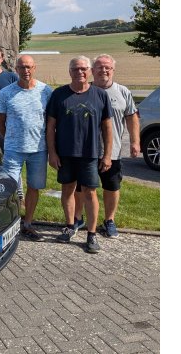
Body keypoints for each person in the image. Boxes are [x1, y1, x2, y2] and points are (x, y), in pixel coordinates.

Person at [46, 56, 113, 254]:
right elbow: (50, 127)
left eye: (84, 69)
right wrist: (52, 153)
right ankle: (70, 226)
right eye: (75, 69)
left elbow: (107, 128)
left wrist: (107, 155)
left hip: (89, 154)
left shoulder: (100, 95)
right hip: (65, 154)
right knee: (67, 190)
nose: (80, 72)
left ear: (90, 71)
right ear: (70, 72)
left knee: (90, 192)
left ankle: (91, 234)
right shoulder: (59, 94)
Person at [71, 54, 141, 238]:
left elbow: (132, 117)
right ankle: (78, 217)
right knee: (81, 187)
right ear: (92, 70)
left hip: (113, 151)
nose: (103, 70)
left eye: (107, 67)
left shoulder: (123, 92)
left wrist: (135, 142)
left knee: (111, 187)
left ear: (113, 70)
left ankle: (109, 220)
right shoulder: (84, 90)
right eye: (99, 67)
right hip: (86, 151)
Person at [0, 55, 53, 241]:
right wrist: (11, 138)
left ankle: (27, 223)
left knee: (34, 187)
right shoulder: (6, 93)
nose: (25, 71)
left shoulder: (46, 91)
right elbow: (0, 122)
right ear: (16, 69)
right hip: (13, 150)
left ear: (34, 68)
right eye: (22, 67)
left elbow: (51, 121)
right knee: (9, 188)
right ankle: (10, 222)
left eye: (29, 67)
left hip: (39, 150)